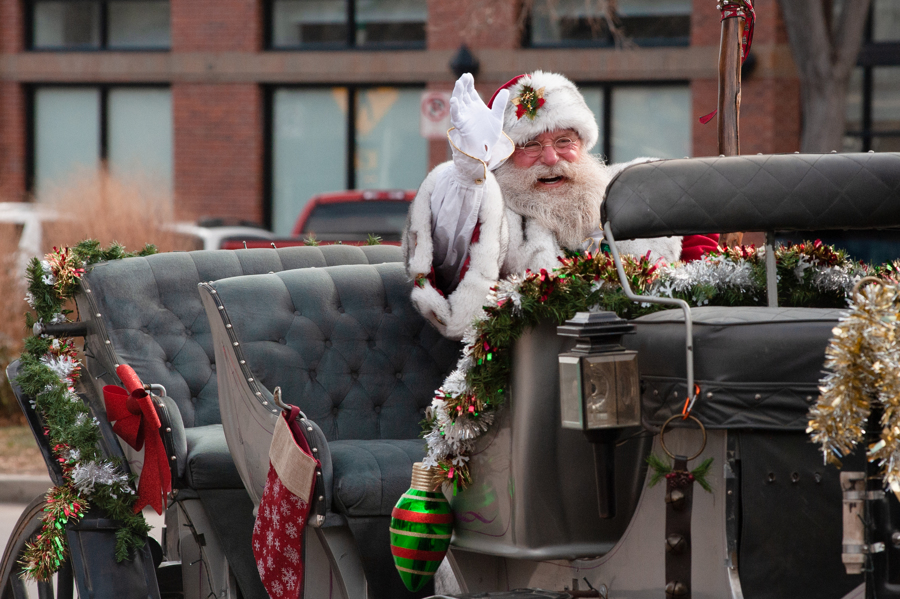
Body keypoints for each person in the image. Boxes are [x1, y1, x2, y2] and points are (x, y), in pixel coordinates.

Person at [403, 71, 718, 339]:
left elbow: (702, 268)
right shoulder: (493, 214)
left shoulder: (632, 193)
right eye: (531, 145)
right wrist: (467, 175)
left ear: (582, 144)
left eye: (564, 141)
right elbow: (449, 254)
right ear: (502, 158)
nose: (551, 159)